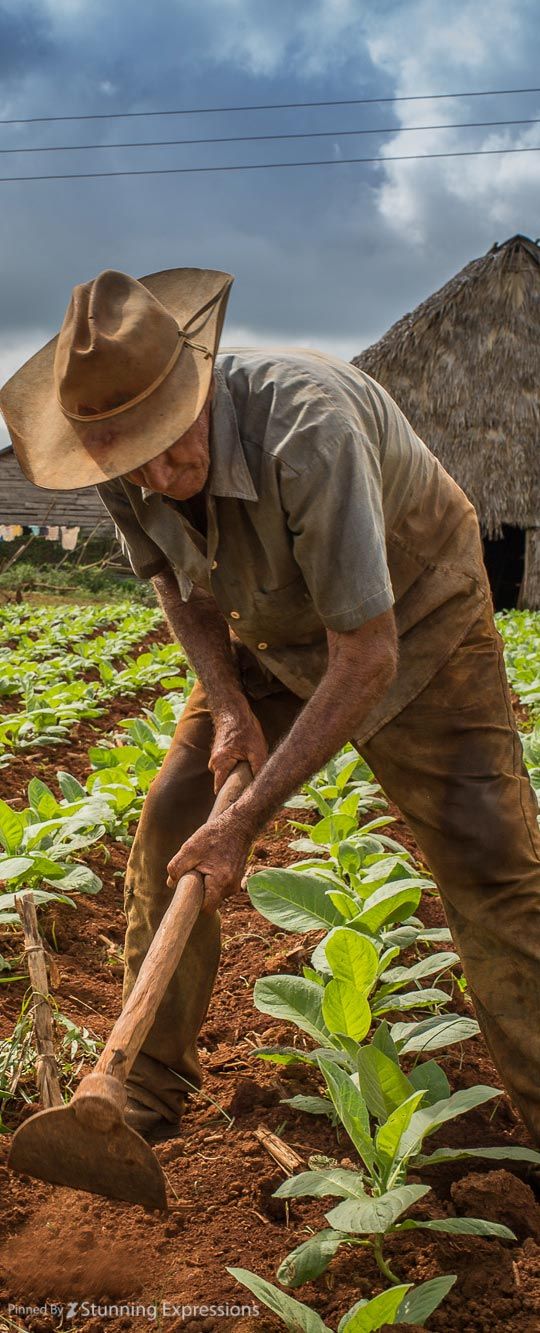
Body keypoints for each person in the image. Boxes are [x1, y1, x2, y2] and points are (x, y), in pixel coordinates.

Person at [2, 267, 539, 1146]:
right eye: (134, 461)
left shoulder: (308, 430)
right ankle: (135, 1088)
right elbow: (175, 581)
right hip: (258, 624)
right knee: (174, 817)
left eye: (173, 443)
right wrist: (227, 703)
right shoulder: (116, 454)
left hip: (415, 613)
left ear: (198, 382)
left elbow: (366, 655)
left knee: (492, 860)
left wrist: (249, 816)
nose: (162, 475)